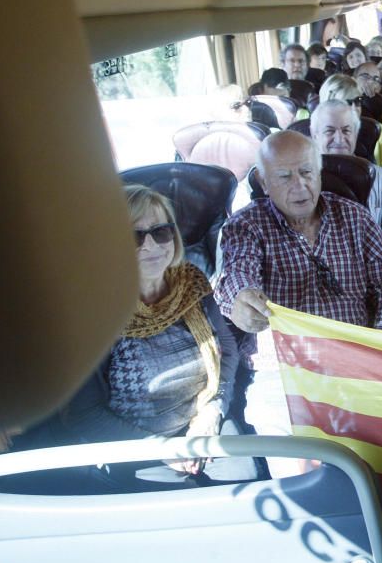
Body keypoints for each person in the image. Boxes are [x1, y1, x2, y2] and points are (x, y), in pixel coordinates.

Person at [60, 185, 254, 487]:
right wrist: (160, 449)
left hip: (203, 422)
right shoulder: (94, 314)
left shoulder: (190, 282)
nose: (150, 245)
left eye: (160, 232)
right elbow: (85, 414)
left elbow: (226, 352)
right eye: (133, 236)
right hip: (134, 443)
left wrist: (211, 413)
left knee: (248, 489)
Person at [215, 130, 382, 337]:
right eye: (284, 177)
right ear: (263, 183)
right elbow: (238, 271)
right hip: (286, 355)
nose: (300, 185)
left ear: (319, 173)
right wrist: (240, 298)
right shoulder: (247, 225)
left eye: (307, 172)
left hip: (354, 350)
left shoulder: (355, 217)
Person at [310, 99, 382, 257]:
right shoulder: (300, 178)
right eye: (330, 131)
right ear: (314, 135)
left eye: (346, 131)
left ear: (355, 134)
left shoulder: (378, 177)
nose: (339, 139)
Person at [319, 73, 382, 183]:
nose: (354, 108)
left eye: (357, 101)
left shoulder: (376, 130)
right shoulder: (315, 131)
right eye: (347, 102)